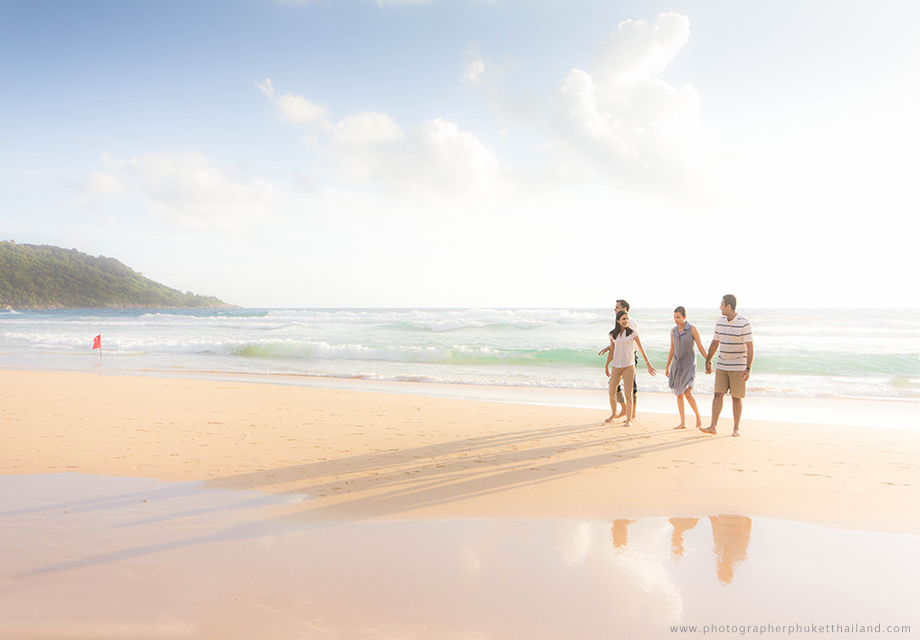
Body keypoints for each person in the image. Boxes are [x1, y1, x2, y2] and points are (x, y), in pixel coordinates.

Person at [702, 294, 754, 437]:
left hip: (738, 366)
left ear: (729, 307)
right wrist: (708, 360)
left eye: (722, 304)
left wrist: (748, 369)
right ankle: (713, 426)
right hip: (722, 365)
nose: (720, 307)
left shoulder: (744, 323)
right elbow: (715, 342)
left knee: (736, 397)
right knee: (717, 394)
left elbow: (750, 347)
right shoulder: (720, 322)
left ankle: (736, 428)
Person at [605, 310, 656, 426]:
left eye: (627, 319)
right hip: (616, 366)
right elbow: (612, 350)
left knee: (628, 393)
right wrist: (606, 365)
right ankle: (614, 413)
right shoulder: (612, 334)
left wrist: (648, 364)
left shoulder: (633, 333)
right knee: (611, 391)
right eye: (623, 319)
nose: (626, 321)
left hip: (629, 366)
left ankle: (629, 419)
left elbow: (641, 349)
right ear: (618, 321)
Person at [665, 306, 708, 429]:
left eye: (678, 317)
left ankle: (698, 417)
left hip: (689, 365)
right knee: (679, 394)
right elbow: (672, 350)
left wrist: (708, 361)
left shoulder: (692, 329)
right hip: (677, 365)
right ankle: (683, 422)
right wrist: (667, 366)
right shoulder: (673, 331)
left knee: (687, 392)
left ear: (684, 317)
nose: (676, 319)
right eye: (674, 317)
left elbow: (700, 347)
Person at [598, 300, 638, 419]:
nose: (614, 309)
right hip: (619, 359)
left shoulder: (630, 322)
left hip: (630, 358)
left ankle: (632, 414)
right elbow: (619, 340)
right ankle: (624, 409)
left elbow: (629, 340)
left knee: (631, 387)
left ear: (624, 309)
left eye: (617, 307)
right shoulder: (619, 322)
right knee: (614, 385)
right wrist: (610, 348)